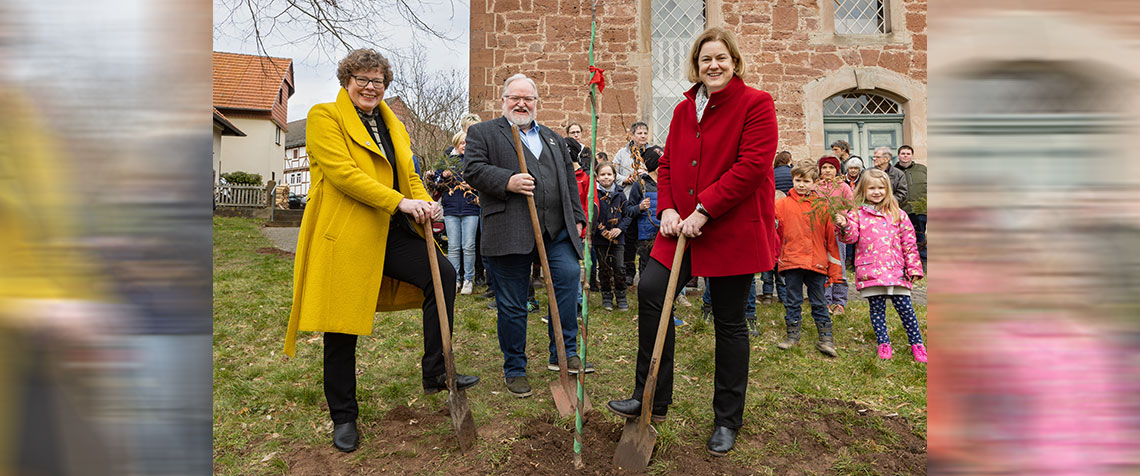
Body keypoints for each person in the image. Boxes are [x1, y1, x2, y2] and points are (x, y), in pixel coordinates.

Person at [283, 49, 479, 453]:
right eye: (363, 79)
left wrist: (424, 201)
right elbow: (343, 174)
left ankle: (437, 372)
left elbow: (408, 173)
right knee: (342, 326)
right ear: (347, 80)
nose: (371, 87)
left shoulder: (394, 125)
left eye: (378, 81)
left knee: (440, 274)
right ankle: (343, 416)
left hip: (390, 229)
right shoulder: (325, 117)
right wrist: (398, 201)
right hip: (347, 234)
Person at [606, 27, 778, 457]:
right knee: (650, 291)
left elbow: (752, 167)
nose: (713, 66)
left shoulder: (756, 104)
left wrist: (704, 209)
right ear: (696, 66)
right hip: (678, 226)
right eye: (705, 60)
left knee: (729, 320)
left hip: (728, 229)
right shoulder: (684, 109)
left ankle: (726, 419)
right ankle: (652, 398)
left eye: (721, 58)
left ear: (734, 62)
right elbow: (665, 165)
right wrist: (665, 208)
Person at [464, 73, 592, 399]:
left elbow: (567, 181)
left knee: (566, 280)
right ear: (503, 100)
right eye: (515, 97)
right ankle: (515, 367)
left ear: (536, 102)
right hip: (510, 230)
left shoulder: (551, 138)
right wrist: (508, 181)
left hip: (556, 230)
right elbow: (473, 169)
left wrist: (577, 218)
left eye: (528, 98)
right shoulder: (484, 133)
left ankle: (563, 352)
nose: (522, 103)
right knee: (513, 302)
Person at [835, 168, 926, 362]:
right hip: (871, 271)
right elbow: (851, 238)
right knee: (877, 310)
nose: (877, 192)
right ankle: (883, 343)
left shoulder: (898, 214)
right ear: (863, 190)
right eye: (872, 188)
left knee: (906, 308)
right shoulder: (857, 214)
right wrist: (843, 225)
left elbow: (908, 243)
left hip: (896, 271)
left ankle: (917, 343)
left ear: (888, 190)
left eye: (881, 188)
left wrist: (914, 267)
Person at [773, 163, 843, 356]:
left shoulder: (822, 206)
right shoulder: (781, 205)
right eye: (798, 180)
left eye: (806, 181)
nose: (801, 185)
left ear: (814, 183)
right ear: (792, 180)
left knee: (819, 300)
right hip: (792, 260)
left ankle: (826, 338)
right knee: (792, 299)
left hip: (816, 261)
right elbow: (773, 231)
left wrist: (835, 270)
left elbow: (831, 240)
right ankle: (792, 335)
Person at [436, 131, 480, 295]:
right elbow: (435, 181)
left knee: (468, 246)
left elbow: (484, 181)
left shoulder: (475, 161)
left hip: (471, 207)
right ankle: (454, 279)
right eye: (462, 143)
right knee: (454, 247)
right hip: (451, 208)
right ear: (456, 144)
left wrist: (473, 186)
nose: (465, 146)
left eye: (467, 143)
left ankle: (468, 279)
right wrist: (442, 176)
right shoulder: (447, 160)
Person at [590, 161, 633, 311]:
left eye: (609, 174)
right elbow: (591, 214)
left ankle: (621, 296)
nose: (606, 177)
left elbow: (628, 215)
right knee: (604, 267)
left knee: (619, 267)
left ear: (614, 176)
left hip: (617, 238)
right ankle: (606, 296)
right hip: (600, 238)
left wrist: (620, 229)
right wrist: (600, 230)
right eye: (602, 174)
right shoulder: (594, 194)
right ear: (596, 177)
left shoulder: (620, 194)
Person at [816, 155, 854, 315]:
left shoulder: (843, 187)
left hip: (837, 231)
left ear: (836, 170)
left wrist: (839, 215)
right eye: (824, 168)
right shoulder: (816, 187)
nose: (827, 171)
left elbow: (850, 206)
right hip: (819, 231)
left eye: (830, 168)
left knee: (839, 266)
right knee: (822, 266)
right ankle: (826, 300)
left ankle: (839, 301)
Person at [894, 145, 927, 265]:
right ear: (898, 156)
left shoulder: (922, 169)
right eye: (903, 153)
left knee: (920, 236)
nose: (905, 156)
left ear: (912, 155)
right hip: (902, 210)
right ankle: (906, 263)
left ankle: (923, 262)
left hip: (920, 210)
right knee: (904, 238)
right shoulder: (893, 171)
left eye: (908, 154)